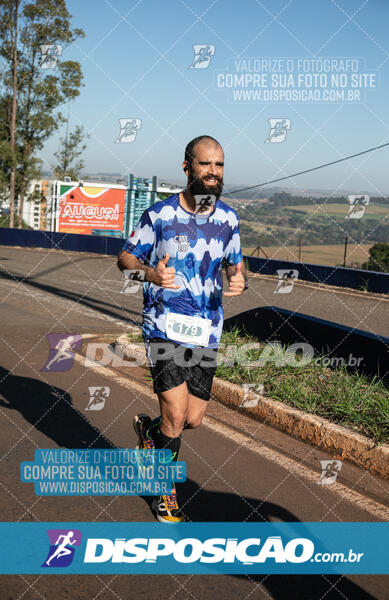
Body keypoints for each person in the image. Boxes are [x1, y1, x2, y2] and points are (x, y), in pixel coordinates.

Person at [117, 135, 248, 522]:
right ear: (187, 167)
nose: (213, 172)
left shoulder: (228, 219)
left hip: (205, 329)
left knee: (191, 419)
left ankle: (149, 432)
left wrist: (239, 279)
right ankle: (165, 491)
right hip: (164, 325)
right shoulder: (159, 216)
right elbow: (125, 258)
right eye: (206, 164)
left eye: (219, 165)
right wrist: (149, 273)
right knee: (175, 413)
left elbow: (235, 264)